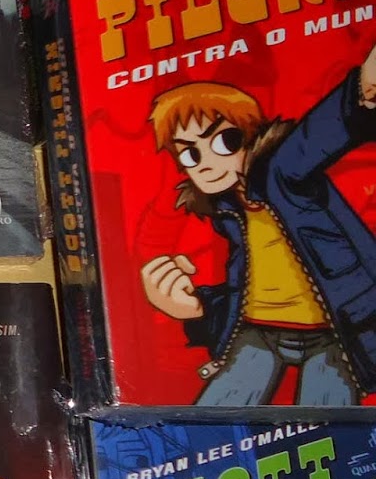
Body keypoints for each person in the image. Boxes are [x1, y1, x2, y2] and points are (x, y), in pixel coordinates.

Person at [139, 42, 376, 405]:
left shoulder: (284, 174)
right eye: (189, 153)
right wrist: (195, 308)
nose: (206, 163)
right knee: (214, 417)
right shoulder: (230, 215)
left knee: (331, 424)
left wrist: (362, 88)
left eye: (224, 140)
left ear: (251, 137)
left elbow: (316, 136)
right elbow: (244, 292)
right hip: (259, 333)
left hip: (333, 336)